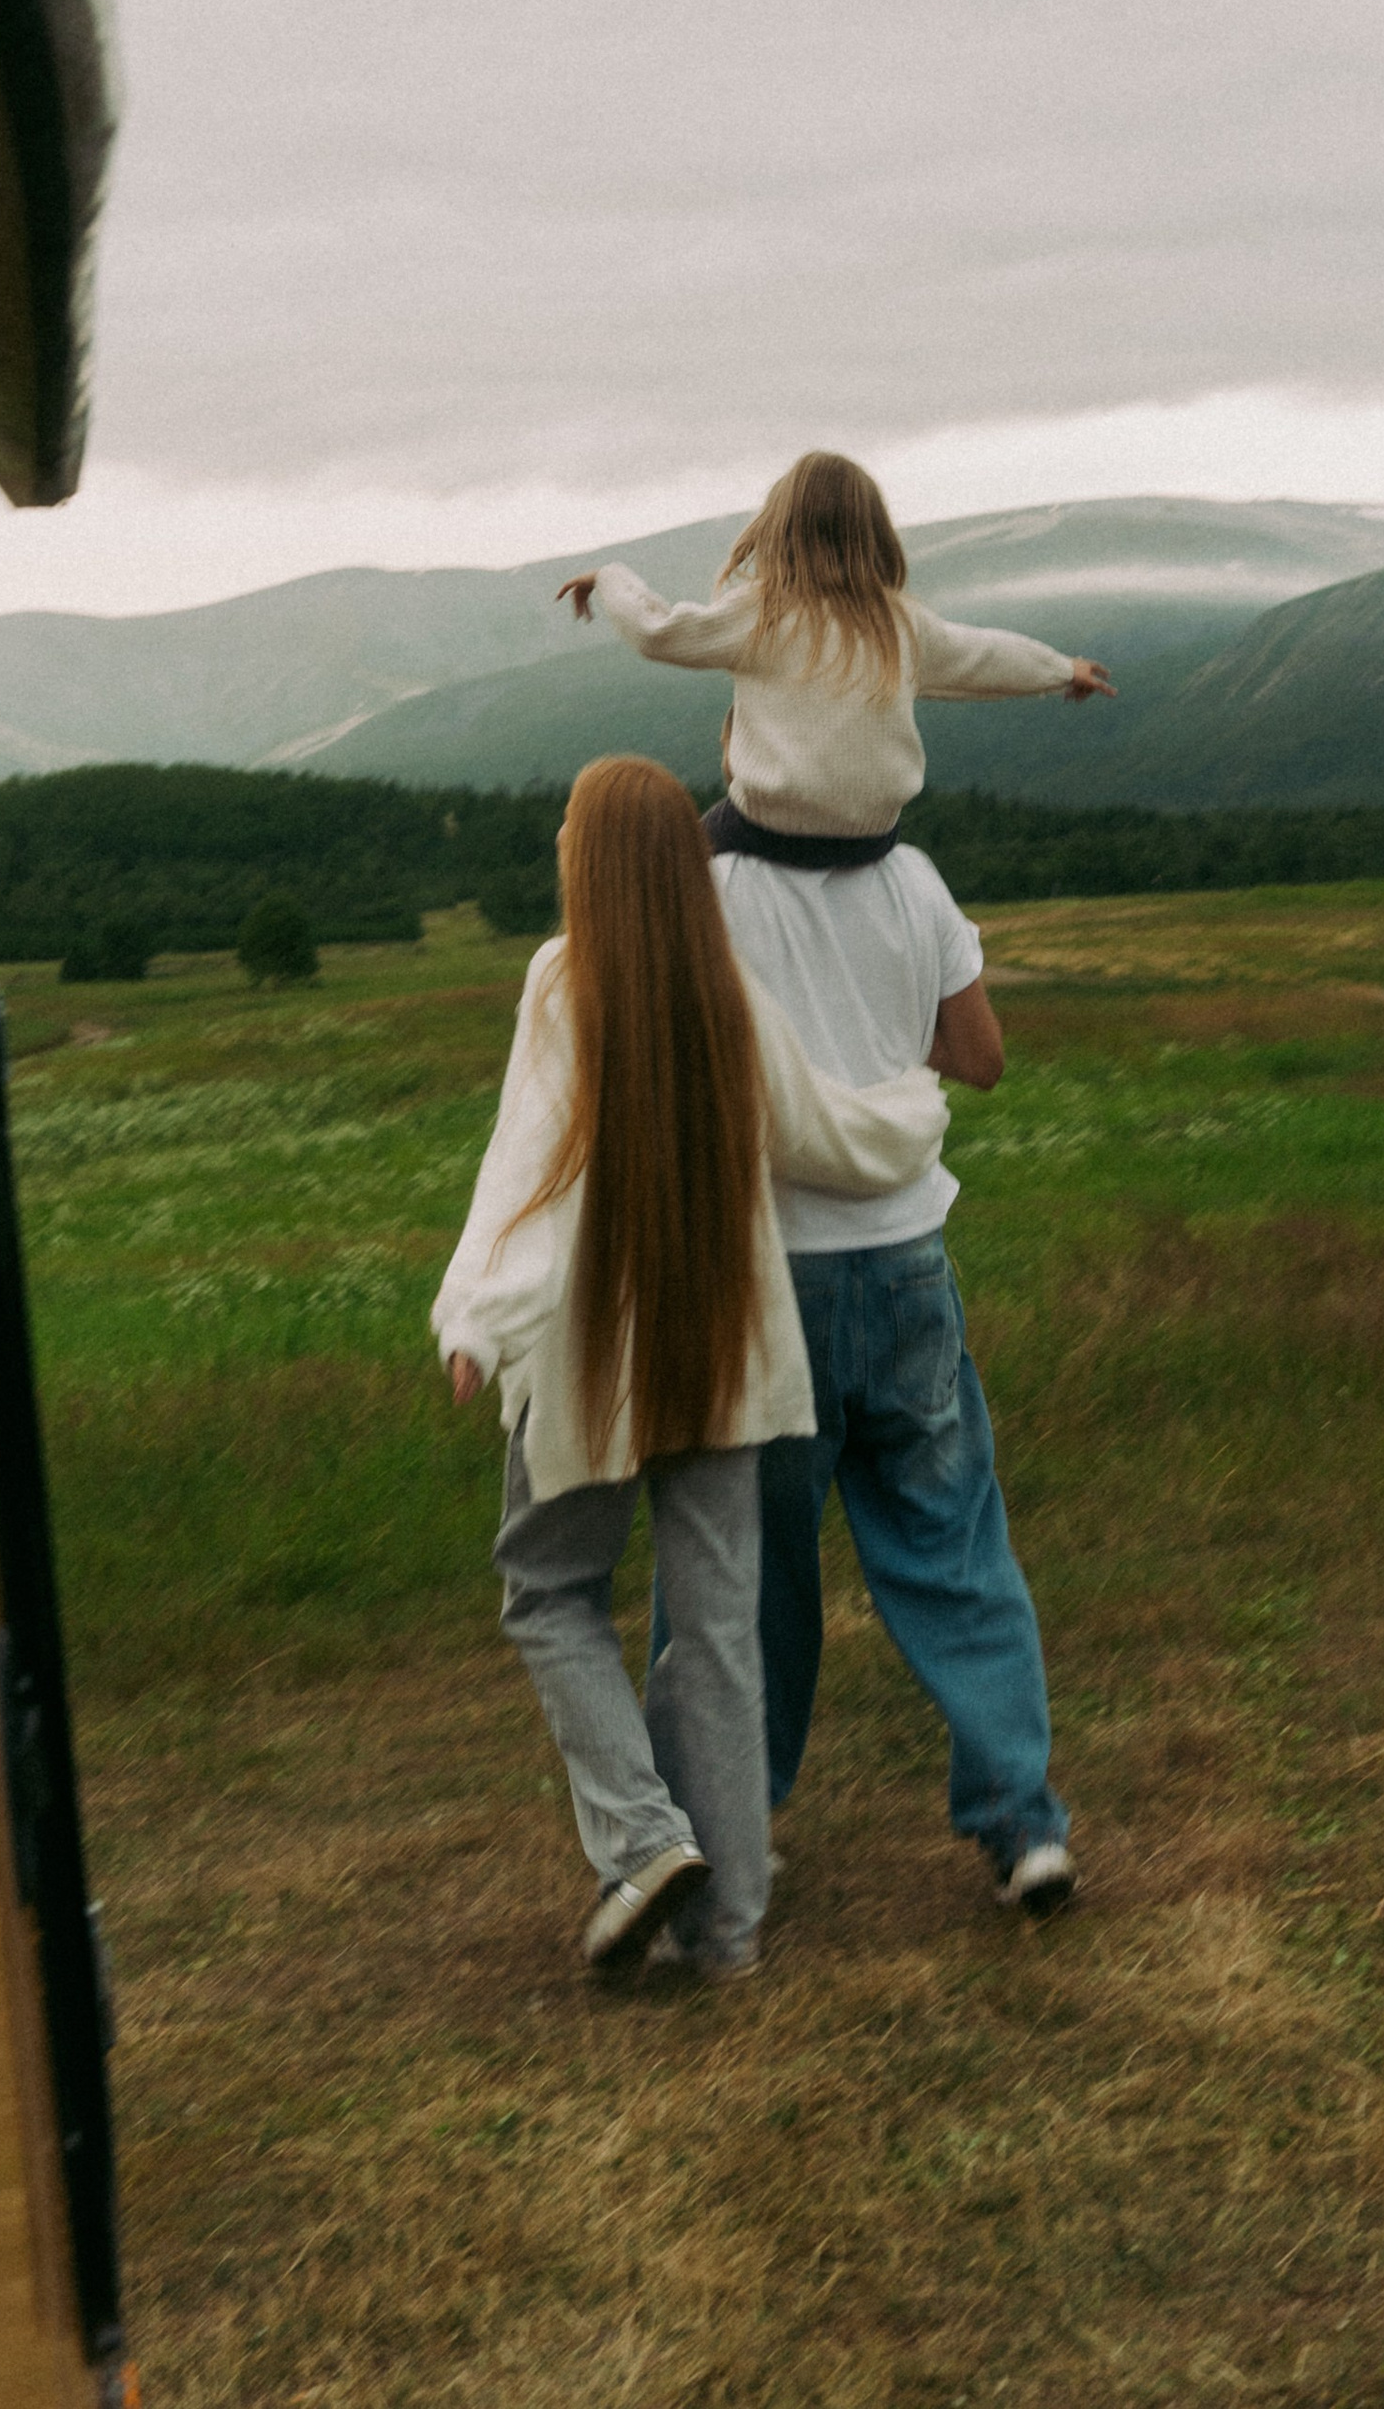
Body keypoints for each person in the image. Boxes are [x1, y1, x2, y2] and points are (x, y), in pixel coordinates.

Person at [570, 454, 1094, 1916]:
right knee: (952, 1544)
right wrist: (1064, 674)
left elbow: (663, 620)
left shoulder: (707, 885)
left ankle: (723, 1836)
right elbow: (979, 1059)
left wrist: (605, 584)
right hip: (909, 1265)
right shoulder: (917, 881)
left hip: (766, 1276)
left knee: (738, 1582)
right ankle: (1025, 1820)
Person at [434, 754, 951, 1981]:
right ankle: (730, 1936)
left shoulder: (563, 979)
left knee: (549, 1593)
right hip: (726, 1342)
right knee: (717, 1632)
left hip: (599, 1352)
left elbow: (526, 1165)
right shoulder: (733, 988)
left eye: (567, 828)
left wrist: (475, 1317)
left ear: (590, 859)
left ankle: (644, 1840)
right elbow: (825, 1133)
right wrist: (913, 1110)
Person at [558, 448, 1112, 862]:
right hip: (872, 842)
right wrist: (1063, 668)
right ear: (874, 534)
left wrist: (610, 578)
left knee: (675, 871)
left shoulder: (764, 613)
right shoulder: (898, 622)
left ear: (779, 529)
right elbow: (983, 655)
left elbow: (659, 632)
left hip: (766, 832)